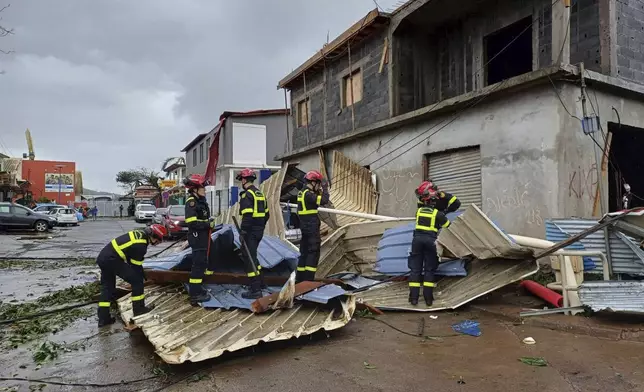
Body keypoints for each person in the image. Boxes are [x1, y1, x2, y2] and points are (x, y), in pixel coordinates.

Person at [96, 223, 168, 327]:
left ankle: (103, 319)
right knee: (137, 282)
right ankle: (139, 310)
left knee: (107, 288)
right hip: (112, 260)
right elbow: (135, 266)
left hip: (103, 258)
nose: (158, 243)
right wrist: (141, 277)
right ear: (154, 236)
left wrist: (139, 272)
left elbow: (131, 259)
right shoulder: (141, 244)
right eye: (159, 240)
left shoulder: (138, 234)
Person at [408, 182, 451, 307]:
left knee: (415, 269)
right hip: (430, 241)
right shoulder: (438, 214)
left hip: (417, 241)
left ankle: (414, 298)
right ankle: (428, 299)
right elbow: (447, 226)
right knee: (429, 269)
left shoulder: (419, 212)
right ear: (433, 201)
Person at [237, 168, 270, 299]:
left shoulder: (247, 195)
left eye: (241, 180)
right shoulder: (260, 194)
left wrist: (243, 232)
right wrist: (260, 226)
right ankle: (261, 283)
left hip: (250, 232)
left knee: (249, 259)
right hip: (258, 231)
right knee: (253, 256)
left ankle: (255, 289)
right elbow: (267, 214)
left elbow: (247, 216)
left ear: (244, 180)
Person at [183, 174, 214, 304]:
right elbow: (191, 222)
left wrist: (209, 222)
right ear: (195, 189)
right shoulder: (192, 202)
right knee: (198, 265)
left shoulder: (201, 201)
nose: (204, 190)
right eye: (202, 188)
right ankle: (195, 294)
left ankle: (198, 288)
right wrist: (207, 224)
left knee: (202, 264)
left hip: (203, 237)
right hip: (197, 238)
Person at [296, 170, 329, 283]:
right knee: (313, 253)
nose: (319, 186)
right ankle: (308, 282)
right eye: (318, 184)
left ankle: (299, 280)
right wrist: (325, 188)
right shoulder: (309, 194)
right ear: (314, 182)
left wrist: (318, 191)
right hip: (311, 228)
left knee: (304, 253)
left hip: (304, 227)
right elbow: (324, 200)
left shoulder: (302, 192)